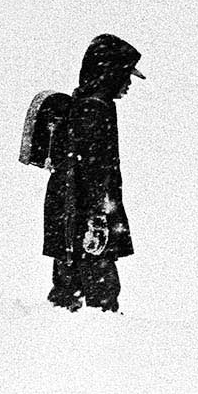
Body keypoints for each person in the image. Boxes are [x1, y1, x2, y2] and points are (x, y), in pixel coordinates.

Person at [43, 34, 144, 313]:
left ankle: (63, 327)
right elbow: (92, 169)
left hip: (70, 209)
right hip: (83, 210)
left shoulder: (85, 102)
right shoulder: (95, 109)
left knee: (70, 278)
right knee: (100, 286)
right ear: (110, 74)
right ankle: (102, 336)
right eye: (126, 76)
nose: (129, 85)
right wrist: (98, 216)